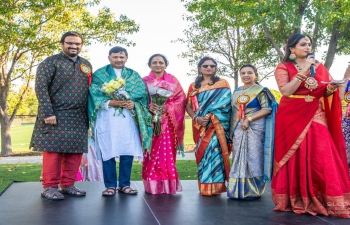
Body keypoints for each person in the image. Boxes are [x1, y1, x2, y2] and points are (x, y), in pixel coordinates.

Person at [272, 33, 350, 218]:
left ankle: (324, 197)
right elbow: (286, 91)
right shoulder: (284, 67)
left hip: (316, 113)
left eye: (309, 44)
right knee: (295, 153)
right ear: (292, 48)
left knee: (321, 153)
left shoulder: (319, 67)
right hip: (291, 115)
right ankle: (296, 198)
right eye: (303, 44)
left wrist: (334, 85)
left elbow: (327, 92)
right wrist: (305, 68)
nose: (308, 47)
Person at [30, 31, 91, 200]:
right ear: (62, 43)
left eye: (77, 44)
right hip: (55, 115)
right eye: (70, 43)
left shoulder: (86, 65)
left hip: (79, 116)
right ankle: (49, 187)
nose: (74, 46)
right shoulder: (50, 63)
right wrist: (49, 113)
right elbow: (41, 89)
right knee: (53, 153)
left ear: (81, 45)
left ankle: (68, 185)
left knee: (75, 153)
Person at [88, 46, 152, 196]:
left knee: (127, 150)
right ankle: (110, 185)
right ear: (109, 57)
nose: (119, 60)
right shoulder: (100, 74)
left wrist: (133, 104)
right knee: (107, 150)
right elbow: (93, 94)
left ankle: (125, 184)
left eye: (122, 57)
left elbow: (142, 94)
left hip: (127, 120)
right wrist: (111, 102)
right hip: (106, 118)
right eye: (115, 57)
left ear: (126, 58)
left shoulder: (133, 75)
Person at [227, 64, 277, 199]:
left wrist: (249, 119)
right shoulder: (237, 91)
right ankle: (236, 190)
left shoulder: (261, 90)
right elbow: (234, 111)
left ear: (256, 74)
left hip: (255, 127)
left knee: (254, 157)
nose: (246, 75)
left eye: (249, 72)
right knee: (238, 156)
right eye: (243, 73)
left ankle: (253, 190)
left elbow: (267, 109)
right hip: (239, 128)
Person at [186, 56, 232, 196]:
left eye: (212, 66)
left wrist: (211, 115)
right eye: (205, 66)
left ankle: (216, 187)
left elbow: (226, 105)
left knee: (215, 152)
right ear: (200, 68)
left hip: (217, 126)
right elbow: (188, 106)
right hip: (200, 127)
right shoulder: (194, 86)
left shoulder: (223, 83)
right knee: (203, 154)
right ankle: (205, 186)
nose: (209, 68)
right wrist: (196, 118)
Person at [142, 54, 186, 194]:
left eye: (161, 62)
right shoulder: (144, 81)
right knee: (151, 154)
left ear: (166, 64)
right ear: (149, 65)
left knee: (166, 154)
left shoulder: (173, 80)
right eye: (154, 62)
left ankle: (167, 186)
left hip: (169, 125)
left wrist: (167, 107)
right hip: (150, 124)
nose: (158, 64)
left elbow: (181, 99)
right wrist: (149, 106)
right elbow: (138, 100)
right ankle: (152, 185)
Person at [340, 65, 350, 177]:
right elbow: (340, 97)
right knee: (345, 148)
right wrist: (346, 76)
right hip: (347, 122)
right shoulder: (348, 83)